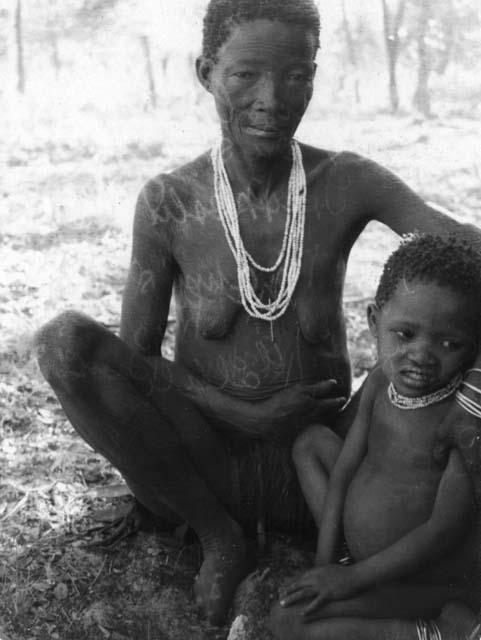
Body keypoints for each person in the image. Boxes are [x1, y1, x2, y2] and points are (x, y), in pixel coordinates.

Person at [34, 0, 481, 627]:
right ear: (206, 72)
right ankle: (220, 538)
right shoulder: (170, 201)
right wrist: (240, 411)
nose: (273, 97)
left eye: (296, 75)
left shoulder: (348, 180)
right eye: (246, 74)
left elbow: (462, 243)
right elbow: (135, 363)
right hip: (204, 463)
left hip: (322, 469)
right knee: (63, 342)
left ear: (314, 77)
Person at [272, 235, 481, 640]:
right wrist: (325, 564)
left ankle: (435, 631)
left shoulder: (463, 421)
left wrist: (351, 581)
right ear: (373, 321)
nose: (422, 355)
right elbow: (345, 470)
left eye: (449, 343)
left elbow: (443, 530)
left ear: (474, 349)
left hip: (423, 580)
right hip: (365, 562)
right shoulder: (379, 382)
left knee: (289, 622)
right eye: (405, 335)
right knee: (312, 443)